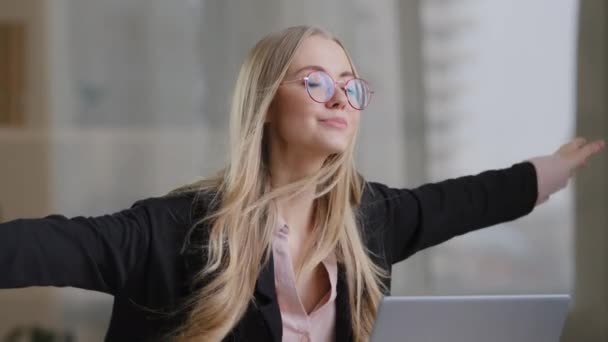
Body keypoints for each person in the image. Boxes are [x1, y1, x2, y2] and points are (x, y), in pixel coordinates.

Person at [0, 25, 604, 342]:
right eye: (316, 81)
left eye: (351, 84)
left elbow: (464, 201)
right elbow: (47, 245)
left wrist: (551, 170)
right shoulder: (183, 229)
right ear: (265, 103)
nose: (341, 96)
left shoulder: (369, 219)